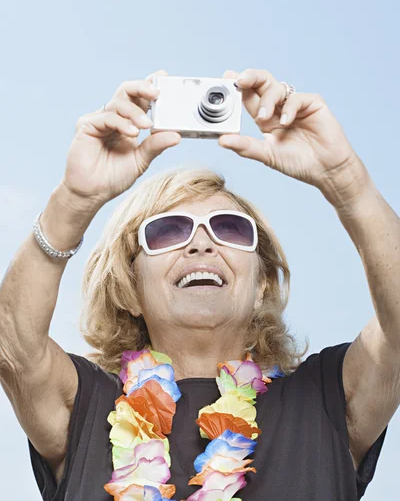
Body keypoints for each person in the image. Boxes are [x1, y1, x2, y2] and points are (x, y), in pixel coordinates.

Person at [0, 68, 398, 501]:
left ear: (262, 282)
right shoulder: (87, 405)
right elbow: (13, 345)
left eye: (229, 228)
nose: (201, 244)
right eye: (170, 230)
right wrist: (75, 201)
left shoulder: (325, 399)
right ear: (129, 287)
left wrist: (346, 181)